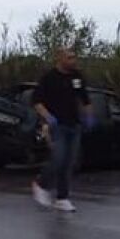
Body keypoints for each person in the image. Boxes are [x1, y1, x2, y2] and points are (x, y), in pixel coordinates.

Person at [31, 48, 94, 212]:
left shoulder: (77, 77)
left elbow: (85, 99)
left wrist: (89, 117)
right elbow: (37, 102)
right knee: (58, 159)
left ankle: (62, 198)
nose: (73, 61)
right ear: (60, 59)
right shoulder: (49, 78)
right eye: (70, 58)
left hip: (74, 125)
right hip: (57, 126)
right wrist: (48, 117)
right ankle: (40, 184)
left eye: (74, 57)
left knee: (69, 163)